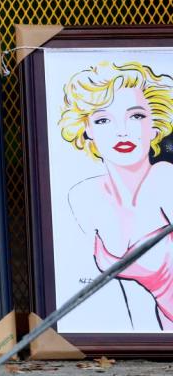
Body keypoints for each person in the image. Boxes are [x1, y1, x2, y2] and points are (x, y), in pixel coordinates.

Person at [59, 62, 173, 330]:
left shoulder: (165, 179)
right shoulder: (83, 196)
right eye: (102, 120)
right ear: (87, 132)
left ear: (155, 127)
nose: (122, 130)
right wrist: (139, 343)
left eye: (136, 116)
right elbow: (126, 293)